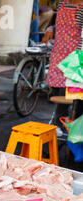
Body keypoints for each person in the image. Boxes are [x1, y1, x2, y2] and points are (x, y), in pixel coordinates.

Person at [45, 0, 83, 129]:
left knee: (72, 96)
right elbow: (55, 22)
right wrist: (50, 29)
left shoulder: (81, 8)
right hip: (58, 54)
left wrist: (75, 64)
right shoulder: (62, 3)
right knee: (59, 92)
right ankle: (62, 122)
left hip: (75, 58)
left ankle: (65, 125)